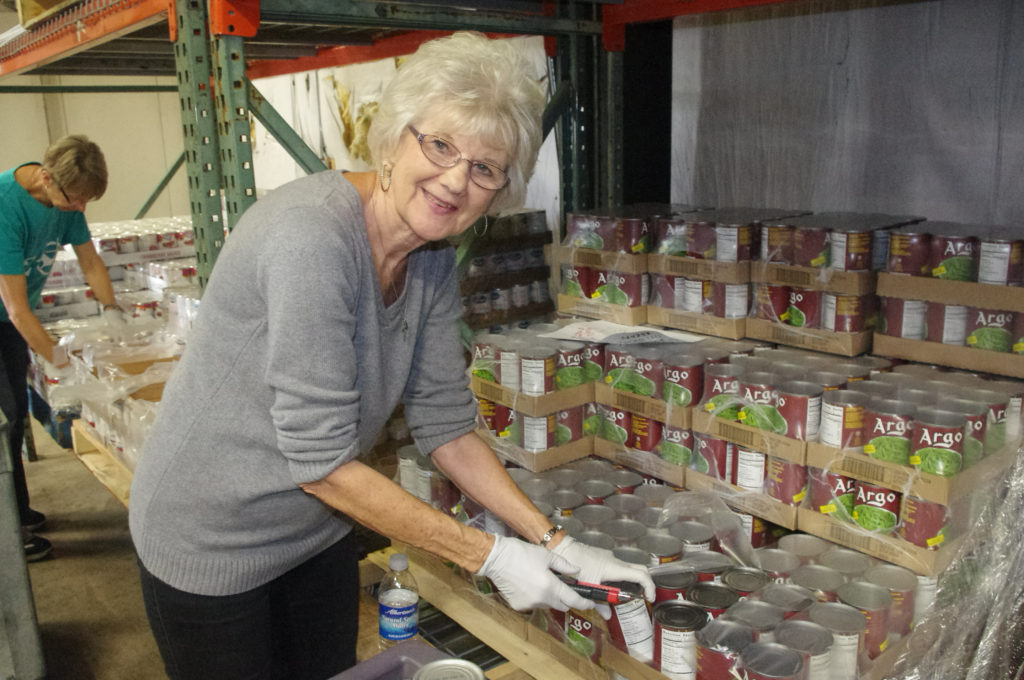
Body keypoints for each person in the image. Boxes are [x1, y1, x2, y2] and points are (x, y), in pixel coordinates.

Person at [129, 31, 654, 680]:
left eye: (485, 169)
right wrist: (487, 556)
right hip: (211, 538)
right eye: (440, 145)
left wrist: (554, 541)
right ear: (393, 139)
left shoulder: (429, 257)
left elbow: (443, 421)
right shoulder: (311, 240)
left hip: (313, 532)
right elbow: (321, 463)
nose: (455, 179)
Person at [0, 134, 121, 562]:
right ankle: (9, 537)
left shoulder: (64, 200)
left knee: (16, 420)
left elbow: (90, 262)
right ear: (47, 179)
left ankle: (16, 510)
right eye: (76, 200)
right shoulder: (5, 206)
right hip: (7, 316)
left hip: (10, 321)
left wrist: (112, 312)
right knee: (6, 420)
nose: (80, 209)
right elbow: (16, 311)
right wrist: (59, 363)